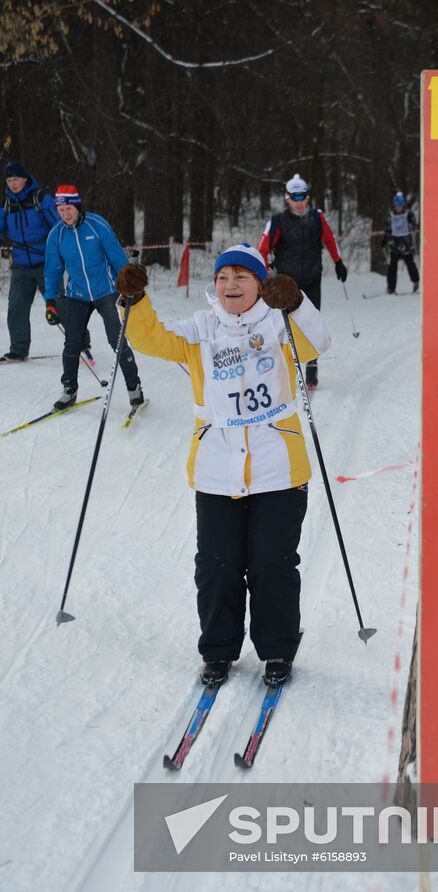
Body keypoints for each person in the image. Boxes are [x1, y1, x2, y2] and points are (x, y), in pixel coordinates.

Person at [115, 243, 331, 687]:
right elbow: (150, 338)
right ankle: (217, 650)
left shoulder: (278, 322)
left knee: (272, 564)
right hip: (215, 469)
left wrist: (294, 302)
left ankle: (277, 651)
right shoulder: (201, 329)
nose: (230, 285)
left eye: (241, 277)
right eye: (222, 277)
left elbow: (319, 342)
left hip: (279, 468)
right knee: (217, 565)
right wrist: (134, 302)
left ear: (259, 284)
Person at [44, 185, 143, 410]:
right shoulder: (56, 235)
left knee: (116, 340)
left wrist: (128, 282)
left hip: (106, 291)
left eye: (69, 208)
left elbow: (116, 256)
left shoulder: (97, 225)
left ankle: (134, 387)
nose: (65, 214)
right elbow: (53, 270)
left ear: (77, 206)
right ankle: (69, 391)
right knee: (72, 343)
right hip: (76, 295)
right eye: (61, 210)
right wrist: (51, 300)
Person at [258, 174, 346, 390]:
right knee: (285, 327)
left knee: (312, 324)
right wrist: (262, 274)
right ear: (287, 198)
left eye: (303, 196)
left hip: (312, 279)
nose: (299, 201)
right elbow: (263, 248)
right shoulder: (277, 222)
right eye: (294, 197)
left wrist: (338, 262)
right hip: (287, 284)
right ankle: (283, 370)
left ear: (308, 197)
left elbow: (329, 239)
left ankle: (311, 373)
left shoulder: (317, 217)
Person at [0, 161, 92, 361]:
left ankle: (81, 341)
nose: (13, 184)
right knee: (16, 306)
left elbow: (60, 226)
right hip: (21, 264)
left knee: (58, 303)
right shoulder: (7, 204)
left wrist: (66, 251)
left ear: (25, 179)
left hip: (46, 263)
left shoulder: (41, 199)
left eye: (16, 179)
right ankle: (18, 349)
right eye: (9, 180)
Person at [381, 191, 419, 295]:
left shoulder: (408, 214)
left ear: (403, 205)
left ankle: (416, 281)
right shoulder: (391, 215)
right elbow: (388, 228)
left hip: (406, 243)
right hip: (395, 244)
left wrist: (413, 225)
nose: (398, 208)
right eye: (396, 206)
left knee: (410, 264)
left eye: (400, 206)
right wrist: (385, 239)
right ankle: (391, 288)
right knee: (392, 267)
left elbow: (414, 225)